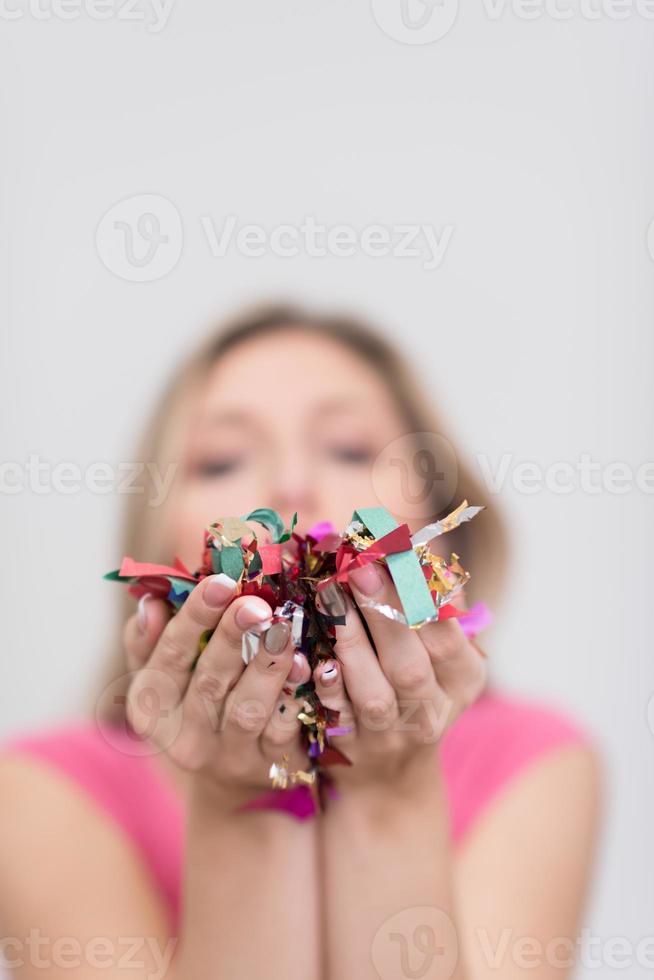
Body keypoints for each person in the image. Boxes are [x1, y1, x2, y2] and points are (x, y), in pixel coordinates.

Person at [0, 302, 602, 979]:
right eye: (221, 460)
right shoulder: (43, 790)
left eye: (348, 448)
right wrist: (240, 798)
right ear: (156, 546)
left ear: (440, 531)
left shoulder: (531, 760)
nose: (291, 484)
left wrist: (390, 792)